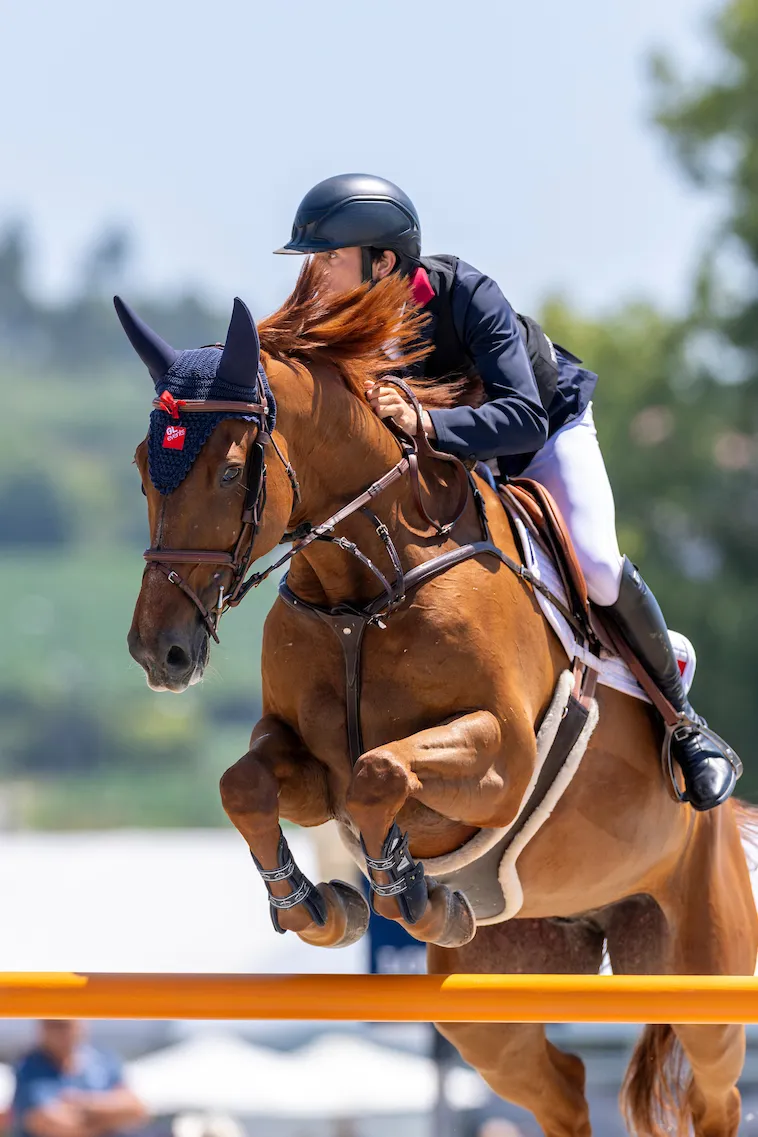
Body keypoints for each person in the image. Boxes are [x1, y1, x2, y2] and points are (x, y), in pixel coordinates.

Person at [275, 172, 740, 812]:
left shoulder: (465, 295)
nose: (315, 275)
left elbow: (521, 416)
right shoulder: (326, 319)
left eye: (329, 257)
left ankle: (685, 726)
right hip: (450, 467)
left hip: (541, 435)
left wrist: (426, 423)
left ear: (382, 260)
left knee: (597, 566)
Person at [13, 1021, 147, 1137]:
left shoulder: (103, 1059)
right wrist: (107, 1120)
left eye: (65, 1025)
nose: (60, 1032)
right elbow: (47, 1123)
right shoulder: (28, 1067)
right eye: (53, 1024)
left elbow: (135, 1109)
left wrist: (82, 1103)